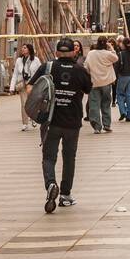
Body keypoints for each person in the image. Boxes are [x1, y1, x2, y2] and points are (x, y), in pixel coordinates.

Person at [32, 38, 93, 213]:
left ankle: (51, 183)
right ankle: (65, 195)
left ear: (57, 53)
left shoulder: (48, 67)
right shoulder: (80, 70)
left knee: (49, 157)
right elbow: (89, 89)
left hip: (51, 121)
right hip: (73, 122)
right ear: (74, 52)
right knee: (69, 158)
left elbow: (31, 89)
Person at [84, 36, 119, 134]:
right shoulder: (108, 54)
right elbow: (116, 58)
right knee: (106, 104)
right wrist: (111, 48)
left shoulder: (91, 53)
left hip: (94, 83)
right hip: (106, 83)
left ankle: (96, 126)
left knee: (94, 105)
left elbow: (86, 67)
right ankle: (107, 125)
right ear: (106, 44)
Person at [9, 43, 43, 132]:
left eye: (25, 48)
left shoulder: (36, 60)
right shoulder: (19, 60)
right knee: (24, 104)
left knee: (33, 103)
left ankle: (33, 118)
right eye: (22, 48)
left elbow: (40, 72)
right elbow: (15, 74)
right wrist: (12, 87)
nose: (23, 49)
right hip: (22, 84)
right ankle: (25, 123)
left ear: (29, 49)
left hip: (33, 84)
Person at [115, 33, 130, 122]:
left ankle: (123, 111)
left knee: (120, 94)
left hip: (123, 76)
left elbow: (117, 66)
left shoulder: (120, 54)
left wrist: (115, 76)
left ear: (124, 45)